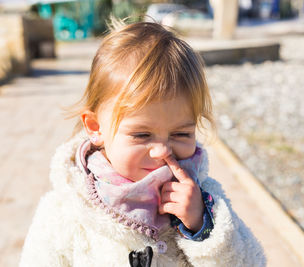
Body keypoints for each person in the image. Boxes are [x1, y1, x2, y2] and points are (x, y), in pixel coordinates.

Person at [19, 20, 266, 267]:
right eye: (141, 135)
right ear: (95, 128)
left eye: (180, 134)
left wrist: (203, 227)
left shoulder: (205, 200)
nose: (162, 151)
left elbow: (252, 262)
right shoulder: (65, 211)